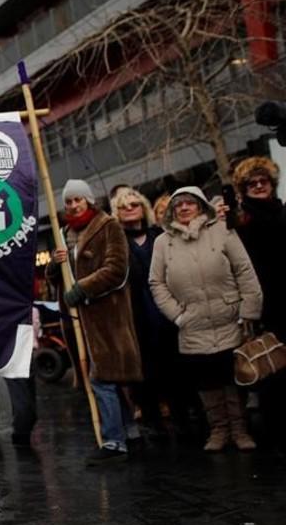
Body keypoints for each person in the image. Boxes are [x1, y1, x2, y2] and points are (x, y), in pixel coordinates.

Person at [150, 186, 264, 451]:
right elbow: (156, 283)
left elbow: (244, 270)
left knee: (233, 377)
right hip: (192, 324)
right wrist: (178, 315)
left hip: (230, 318)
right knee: (206, 380)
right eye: (178, 205)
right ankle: (219, 431)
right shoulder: (162, 242)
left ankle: (239, 429)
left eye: (190, 203)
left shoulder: (223, 230)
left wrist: (248, 311)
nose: (184, 208)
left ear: (201, 206)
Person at [47, 179, 142, 465]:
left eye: (78, 200)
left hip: (108, 317)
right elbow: (57, 280)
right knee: (105, 376)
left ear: (89, 200)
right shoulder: (63, 233)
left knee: (102, 378)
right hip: (80, 320)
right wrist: (55, 263)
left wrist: (83, 288)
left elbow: (116, 269)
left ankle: (114, 442)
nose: (74, 205)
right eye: (69, 202)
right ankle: (129, 432)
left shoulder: (108, 226)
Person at [110, 187, 186, 438]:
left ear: (144, 208)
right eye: (124, 206)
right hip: (135, 311)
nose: (130, 208)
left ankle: (183, 417)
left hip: (166, 307)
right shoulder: (116, 242)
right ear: (117, 214)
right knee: (145, 369)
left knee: (175, 365)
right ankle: (153, 421)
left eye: (135, 204)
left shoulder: (160, 236)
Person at [232, 156, 285, 451]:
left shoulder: (282, 211)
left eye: (263, 181)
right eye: (252, 183)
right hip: (264, 303)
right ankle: (276, 431)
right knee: (271, 368)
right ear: (244, 188)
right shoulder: (241, 220)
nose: (259, 186)